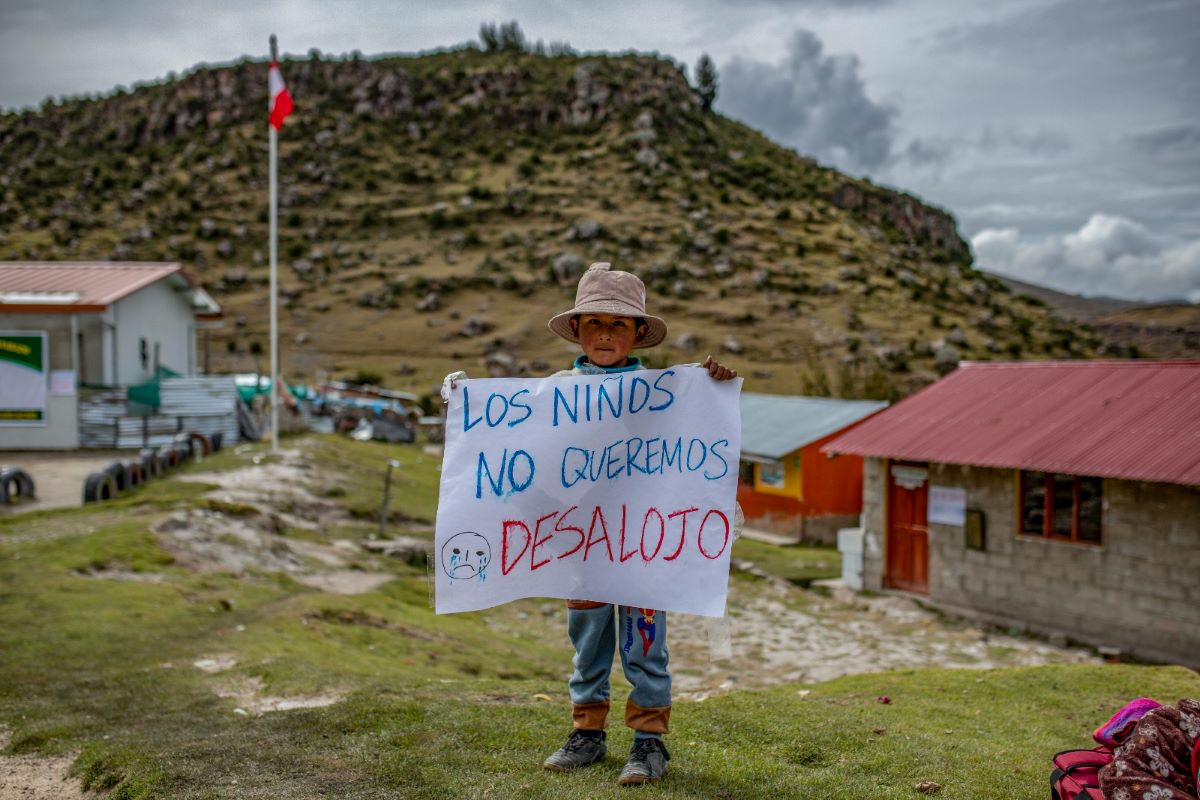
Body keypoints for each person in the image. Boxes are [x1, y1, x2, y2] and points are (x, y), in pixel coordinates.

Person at [442, 262, 737, 786]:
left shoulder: (666, 391)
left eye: (619, 323)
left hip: (646, 546)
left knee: (646, 642)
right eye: (594, 321)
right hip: (580, 546)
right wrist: (466, 401)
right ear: (576, 329)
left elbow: (697, 439)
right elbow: (518, 442)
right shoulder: (555, 391)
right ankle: (587, 734)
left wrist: (715, 388)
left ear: (638, 334)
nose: (605, 332)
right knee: (588, 642)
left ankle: (649, 744)